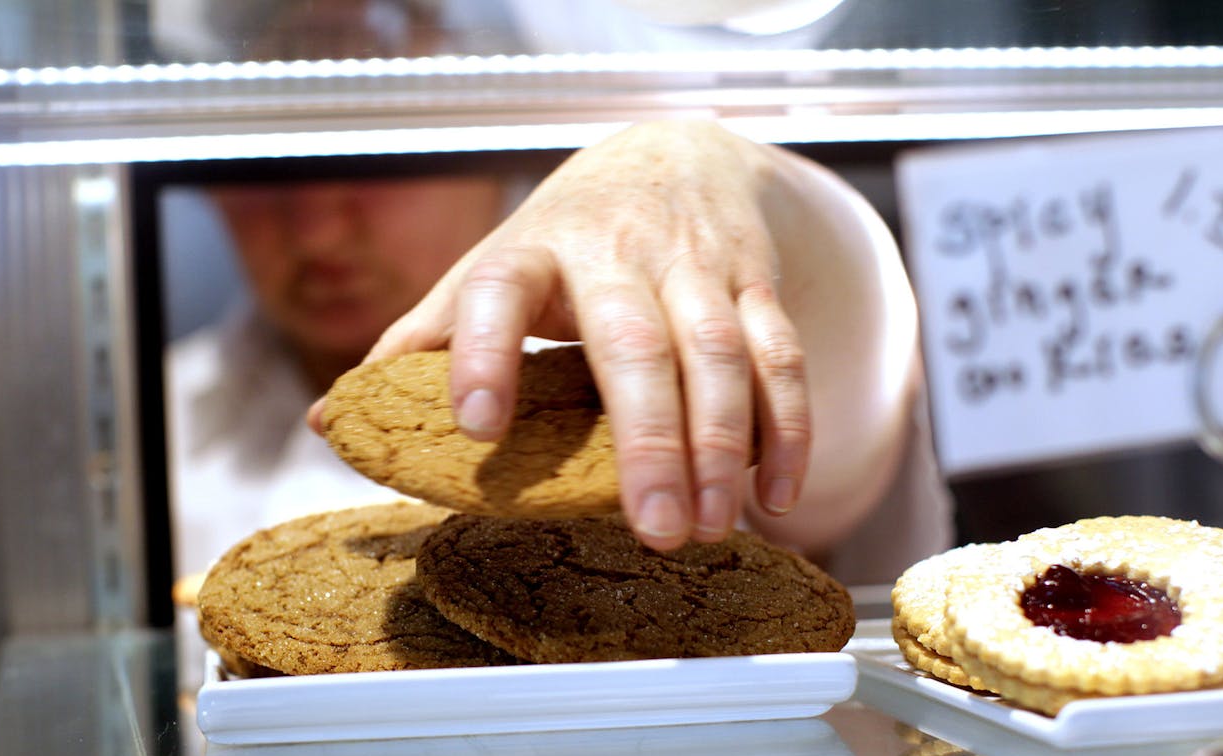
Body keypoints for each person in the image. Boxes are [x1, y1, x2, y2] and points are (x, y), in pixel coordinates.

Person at [169, 118, 952, 582]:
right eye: (265, 164)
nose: (317, 229)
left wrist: (715, 167)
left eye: (365, 159)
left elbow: (854, 410)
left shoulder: (645, 351)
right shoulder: (167, 415)